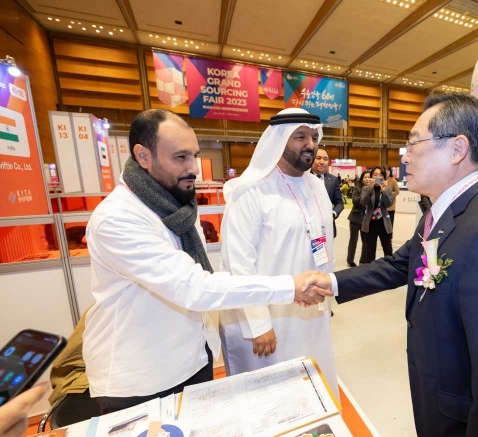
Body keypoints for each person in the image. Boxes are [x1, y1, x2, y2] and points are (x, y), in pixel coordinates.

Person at [300, 93, 478, 437]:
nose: (405, 157)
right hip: (442, 397)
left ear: (456, 149)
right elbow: (398, 264)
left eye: (413, 143)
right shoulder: (446, 211)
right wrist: (330, 282)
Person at [83, 109, 331, 414]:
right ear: (143, 156)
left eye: (194, 156)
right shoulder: (118, 219)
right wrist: (288, 288)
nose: (193, 168)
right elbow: (193, 286)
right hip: (141, 378)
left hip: (193, 361)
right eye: (180, 157)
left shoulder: (177, 207)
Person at [219, 108, 338, 396]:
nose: (310, 144)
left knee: (312, 388)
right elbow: (239, 264)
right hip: (268, 318)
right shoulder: (251, 191)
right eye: (299, 137)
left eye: (313, 136)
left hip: (311, 311)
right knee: (271, 396)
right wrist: (259, 323)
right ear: (279, 141)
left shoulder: (316, 186)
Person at [360, 166, 394, 263]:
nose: (378, 176)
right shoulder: (367, 188)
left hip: (384, 223)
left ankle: (389, 271)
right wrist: (370, 189)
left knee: (388, 250)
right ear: (371, 176)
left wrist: (383, 191)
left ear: (383, 177)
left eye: (380, 174)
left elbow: (389, 204)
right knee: (370, 252)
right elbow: (363, 202)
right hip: (370, 223)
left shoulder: (387, 189)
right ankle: (370, 272)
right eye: (375, 174)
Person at [311, 148, 343, 237]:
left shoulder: (333, 180)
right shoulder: (304, 177)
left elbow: (339, 203)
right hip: (309, 229)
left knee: (327, 251)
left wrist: (333, 214)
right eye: (318, 158)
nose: (322, 162)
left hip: (327, 228)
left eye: (325, 159)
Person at [346, 171, 370, 267]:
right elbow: (355, 201)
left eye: (369, 177)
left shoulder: (373, 188)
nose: (367, 179)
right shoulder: (357, 188)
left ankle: (363, 260)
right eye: (365, 177)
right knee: (353, 240)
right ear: (362, 178)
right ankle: (350, 260)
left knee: (366, 241)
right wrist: (365, 194)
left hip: (367, 219)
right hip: (355, 218)